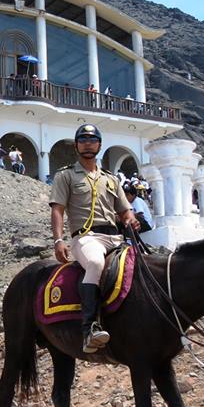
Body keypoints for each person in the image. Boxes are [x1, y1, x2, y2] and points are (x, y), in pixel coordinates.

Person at [49, 124, 140, 354]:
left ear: (99, 144)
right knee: (96, 264)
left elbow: (124, 211)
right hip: (86, 238)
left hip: (116, 238)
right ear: (76, 145)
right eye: (83, 139)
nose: (88, 143)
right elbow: (58, 210)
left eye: (92, 139)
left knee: (144, 266)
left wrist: (131, 219)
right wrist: (58, 240)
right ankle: (89, 327)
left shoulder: (111, 179)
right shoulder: (66, 175)